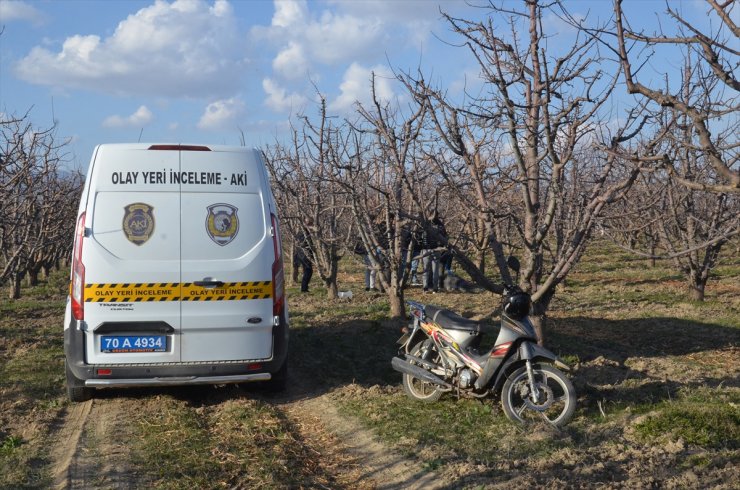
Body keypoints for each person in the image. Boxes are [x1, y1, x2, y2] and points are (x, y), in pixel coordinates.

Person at [293, 223, 313, 293]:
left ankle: (304, 288)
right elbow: (305, 245)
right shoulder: (304, 234)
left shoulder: (300, 232)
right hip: (304, 255)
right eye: (311, 224)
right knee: (308, 271)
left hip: (301, 255)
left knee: (306, 271)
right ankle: (304, 288)